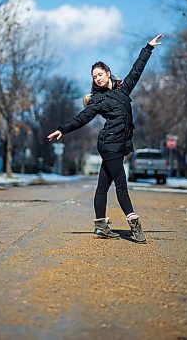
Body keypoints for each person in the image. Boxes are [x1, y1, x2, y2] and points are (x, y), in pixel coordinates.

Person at [48, 34, 164, 243]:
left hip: (119, 144)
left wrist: (148, 48)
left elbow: (136, 71)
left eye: (100, 74)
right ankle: (135, 225)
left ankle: (101, 226)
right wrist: (62, 130)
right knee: (121, 185)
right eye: (94, 77)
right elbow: (82, 118)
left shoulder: (123, 89)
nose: (97, 78)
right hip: (109, 145)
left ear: (108, 73)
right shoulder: (98, 100)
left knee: (103, 186)